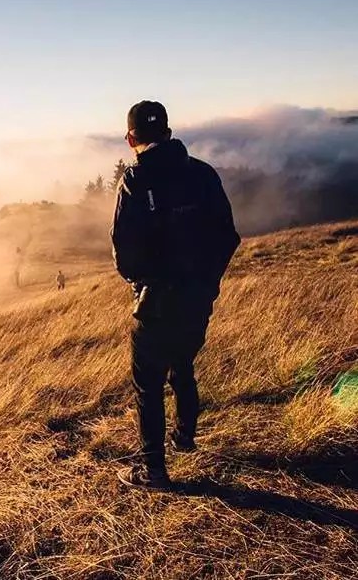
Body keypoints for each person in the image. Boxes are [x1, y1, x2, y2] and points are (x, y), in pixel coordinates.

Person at [111, 100, 240, 490]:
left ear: (131, 138)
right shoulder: (203, 174)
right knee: (182, 365)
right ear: (167, 132)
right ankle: (184, 437)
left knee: (147, 384)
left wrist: (146, 280)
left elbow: (124, 254)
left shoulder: (134, 181)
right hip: (198, 299)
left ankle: (154, 471)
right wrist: (207, 281)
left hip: (156, 302)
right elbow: (227, 236)